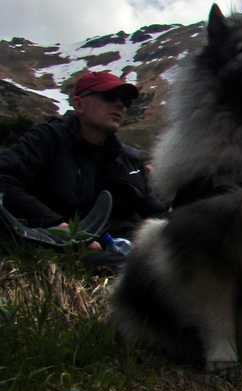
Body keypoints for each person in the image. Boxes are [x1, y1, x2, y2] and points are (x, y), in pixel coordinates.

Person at [0, 71, 166, 273]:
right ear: (78, 104)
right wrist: (62, 228)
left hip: (128, 249)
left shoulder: (129, 159)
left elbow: (157, 214)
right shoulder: (46, 140)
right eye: (109, 97)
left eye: (124, 101)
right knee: (142, 276)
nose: (120, 104)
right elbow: (4, 179)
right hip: (64, 249)